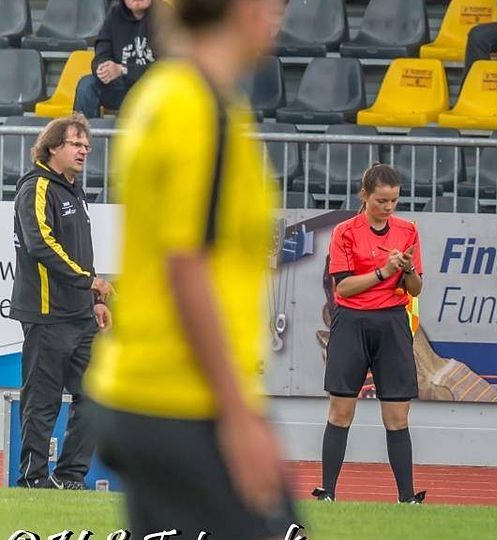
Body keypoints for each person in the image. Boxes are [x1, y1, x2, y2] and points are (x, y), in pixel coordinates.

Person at [83, 0, 296, 538]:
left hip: (154, 393)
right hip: (182, 398)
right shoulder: (196, 108)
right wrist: (237, 415)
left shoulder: (169, 96)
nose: (278, 21)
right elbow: (186, 268)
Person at [313, 163, 427, 504]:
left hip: (392, 322)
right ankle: (328, 492)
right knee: (340, 410)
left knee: (397, 416)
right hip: (351, 321)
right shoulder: (345, 232)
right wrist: (383, 272)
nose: (388, 207)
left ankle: (406, 497)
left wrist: (407, 269)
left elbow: (416, 288)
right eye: (381, 201)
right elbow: (343, 288)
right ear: (364, 195)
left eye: (394, 201)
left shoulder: (408, 230)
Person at [10, 114, 113, 490]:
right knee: (43, 400)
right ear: (53, 147)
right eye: (76, 144)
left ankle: (69, 476)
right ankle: (33, 479)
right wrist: (88, 281)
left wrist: (94, 298)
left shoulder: (75, 191)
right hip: (47, 314)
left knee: (95, 395)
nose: (84, 150)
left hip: (81, 315)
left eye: (87, 145)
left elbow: (80, 251)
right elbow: (40, 244)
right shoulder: (36, 187)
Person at [74, 0, 156, 118]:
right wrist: (103, 68)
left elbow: (169, 68)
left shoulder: (166, 16)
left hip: (154, 88)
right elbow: (101, 54)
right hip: (121, 87)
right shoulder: (115, 15)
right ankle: (83, 129)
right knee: (88, 84)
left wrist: (123, 69)